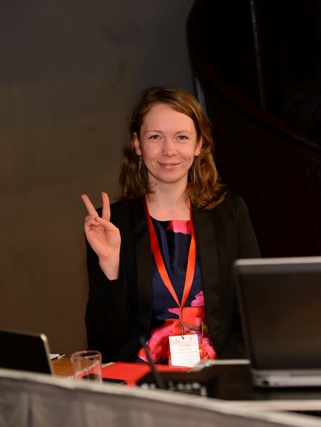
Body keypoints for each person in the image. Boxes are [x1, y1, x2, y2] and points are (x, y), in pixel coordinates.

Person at [81, 86, 260, 365]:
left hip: (219, 374)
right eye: (155, 137)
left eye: (181, 137)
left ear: (199, 145)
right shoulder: (110, 225)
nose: (169, 150)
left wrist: (225, 376)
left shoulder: (231, 214)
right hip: (144, 379)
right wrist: (110, 266)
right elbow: (107, 341)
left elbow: (255, 314)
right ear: (137, 143)